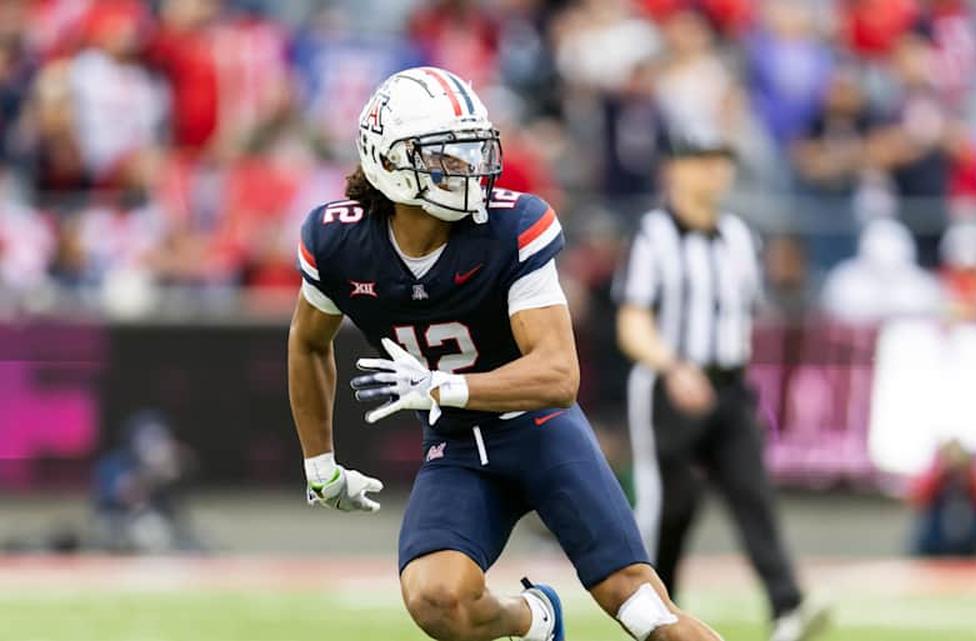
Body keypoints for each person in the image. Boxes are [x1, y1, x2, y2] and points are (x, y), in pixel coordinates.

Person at [287, 66, 725, 641]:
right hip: (457, 449)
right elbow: (308, 342)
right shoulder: (338, 241)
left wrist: (443, 388)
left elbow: (558, 374)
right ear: (389, 162)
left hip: (542, 432)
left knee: (648, 617)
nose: (470, 168)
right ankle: (534, 618)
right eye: (446, 155)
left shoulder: (509, 226)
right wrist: (320, 465)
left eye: (472, 149)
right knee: (436, 600)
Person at [615, 133, 826, 641]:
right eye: (702, 161)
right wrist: (673, 366)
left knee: (752, 491)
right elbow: (632, 322)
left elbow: (743, 317)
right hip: (670, 385)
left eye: (720, 161)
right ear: (676, 169)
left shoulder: (739, 237)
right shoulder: (652, 235)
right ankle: (654, 608)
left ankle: (787, 607)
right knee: (670, 503)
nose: (714, 173)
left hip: (730, 386)